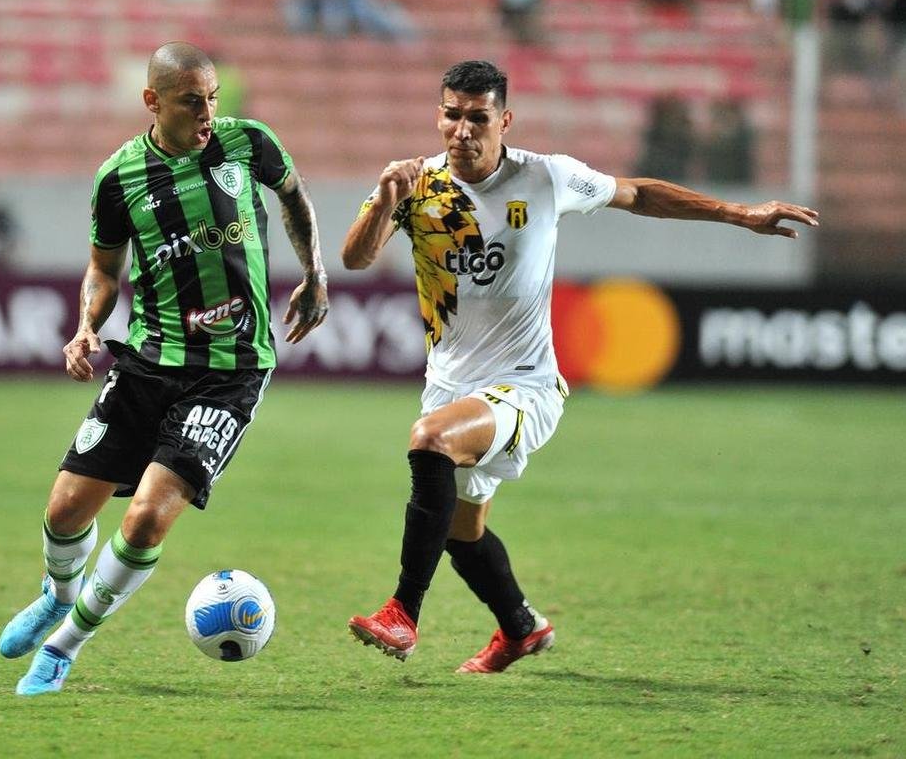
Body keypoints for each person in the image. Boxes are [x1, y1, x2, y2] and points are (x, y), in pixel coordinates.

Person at [342, 60, 817, 673]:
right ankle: (521, 629)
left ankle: (402, 613)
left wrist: (735, 213)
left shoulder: (546, 177)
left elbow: (638, 192)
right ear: (439, 115)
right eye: (451, 115)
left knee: (430, 443)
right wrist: (384, 202)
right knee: (460, 532)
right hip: (450, 385)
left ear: (503, 120)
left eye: (477, 118)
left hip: (526, 387)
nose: (462, 130)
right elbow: (356, 258)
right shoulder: (416, 186)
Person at [0, 41, 329, 695]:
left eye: (211, 98)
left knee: (146, 518)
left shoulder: (247, 144)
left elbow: (293, 199)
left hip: (231, 371)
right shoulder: (118, 178)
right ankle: (58, 596)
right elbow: (103, 266)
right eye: (190, 101)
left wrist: (315, 272)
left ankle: (65, 647)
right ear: (151, 101)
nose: (207, 111)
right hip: (150, 359)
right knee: (67, 509)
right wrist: (86, 324)